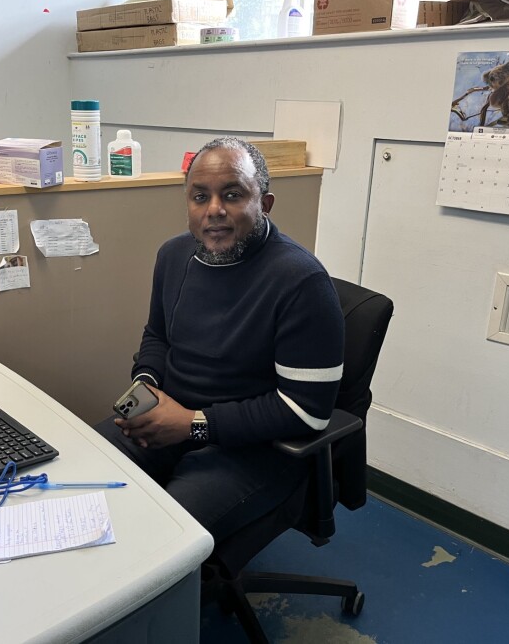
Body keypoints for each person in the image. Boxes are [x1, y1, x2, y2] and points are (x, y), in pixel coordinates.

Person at [96, 137, 344, 544]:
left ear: (264, 204)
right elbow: (158, 335)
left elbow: (308, 412)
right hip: (173, 421)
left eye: (232, 195)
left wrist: (193, 427)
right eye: (199, 197)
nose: (214, 210)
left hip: (256, 449)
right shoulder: (173, 256)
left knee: (158, 539)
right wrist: (146, 388)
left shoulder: (301, 281)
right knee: (80, 475)